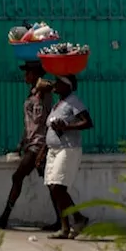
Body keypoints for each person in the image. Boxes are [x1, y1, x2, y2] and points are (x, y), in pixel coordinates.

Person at [0, 61, 60, 231]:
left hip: (39, 144)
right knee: (51, 183)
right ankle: (63, 220)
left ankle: (4, 218)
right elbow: (29, 124)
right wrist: (20, 143)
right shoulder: (32, 94)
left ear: (36, 74)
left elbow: (43, 120)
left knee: (18, 177)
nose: (25, 76)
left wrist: (43, 86)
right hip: (31, 143)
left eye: (28, 72)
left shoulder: (44, 93)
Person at [45, 74, 94, 240]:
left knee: (58, 187)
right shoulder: (57, 104)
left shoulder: (73, 101)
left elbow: (87, 122)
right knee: (53, 187)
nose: (55, 84)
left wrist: (67, 126)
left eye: (58, 82)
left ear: (67, 86)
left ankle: (78, 219)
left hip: (68, 149)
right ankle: (66, 226)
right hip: (53, 150)